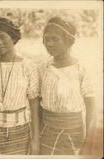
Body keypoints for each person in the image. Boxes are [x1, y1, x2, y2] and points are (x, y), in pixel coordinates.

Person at [0, 17, 40, 155]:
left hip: (20, 131)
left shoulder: (28, 67)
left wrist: (35, 139)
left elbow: (34, 106)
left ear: (13, 38)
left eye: (3, 37)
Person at [39, 16, 96, 155]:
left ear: (68, 41)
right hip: (46, 133)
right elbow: (38, 105)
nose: (49, 44)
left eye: (55, 39)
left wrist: (88, 142)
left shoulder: (82, 68)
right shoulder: (42, 69)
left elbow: (92, 110)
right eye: (46, 39)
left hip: (73, 133)